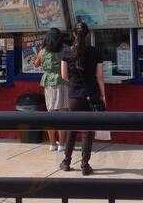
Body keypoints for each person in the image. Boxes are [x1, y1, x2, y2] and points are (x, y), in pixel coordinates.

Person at [59, 21, 106, 176]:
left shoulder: (66, 52)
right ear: (87, 35)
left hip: (74, 95)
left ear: (73, 34)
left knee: (72, 129)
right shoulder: (95, 51)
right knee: (87, 131)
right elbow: (100, 77)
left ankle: (66, 162)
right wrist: (103, 95)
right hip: (91, 94)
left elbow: (64, 76)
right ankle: (85, 165)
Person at [35, 28, 69, 152]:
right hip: (63, 81)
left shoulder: (43, 51)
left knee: (51, 113)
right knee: (63, 113)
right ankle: (62, 144)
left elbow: (36, 64)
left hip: (48, 83)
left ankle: (52, 143)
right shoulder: (64, 50)